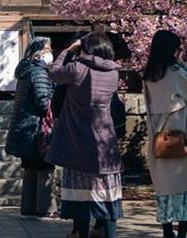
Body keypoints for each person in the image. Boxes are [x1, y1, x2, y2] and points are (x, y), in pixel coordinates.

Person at [44, 32, 123, 238]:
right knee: (107, 196)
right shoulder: (114, 73)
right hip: (105, 141)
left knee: (81, 198)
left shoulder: (77, 69)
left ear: (86, 49)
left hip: (77, 140)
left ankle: (81, 234)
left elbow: (54, 73)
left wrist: (68, 50)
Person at [142, 30, 187, 238]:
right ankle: (182, 234)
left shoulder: (149, 74)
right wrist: (186, 65)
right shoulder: (176, 72)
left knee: (166, 187)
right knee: (185, 184)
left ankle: (167, 231)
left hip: (159, 135)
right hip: (180, 133)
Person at [6, 37, 56, 218]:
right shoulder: (39, 72)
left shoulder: (25, 70)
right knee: (44, 167)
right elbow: (43, 103)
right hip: (36, 129)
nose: (50, 52)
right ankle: (45, 209)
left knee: (30, 168)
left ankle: (28, 209)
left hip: (24, 126)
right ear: (38, 52)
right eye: (47, 49)